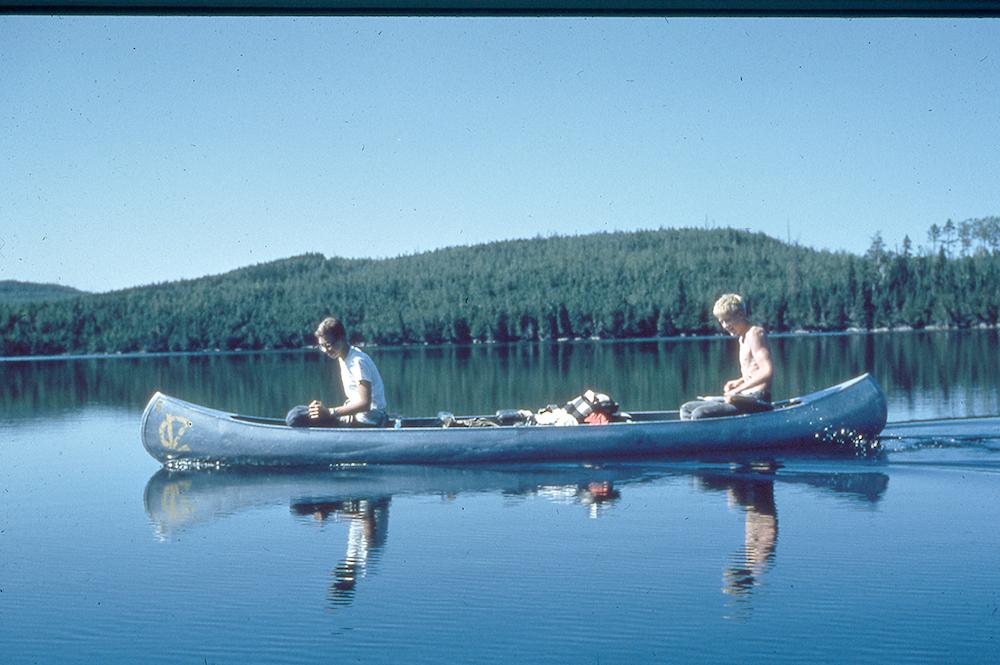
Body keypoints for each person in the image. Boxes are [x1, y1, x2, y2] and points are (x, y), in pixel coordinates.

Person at [680, 293, 774, 420]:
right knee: (687, 409)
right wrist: (739, 381)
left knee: (700, 414)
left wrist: (737, 390)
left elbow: (767, 371)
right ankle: (693, 439)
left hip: (757, 399)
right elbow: (754, 371)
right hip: (743, 397)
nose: (724, 325)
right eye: (721, 321)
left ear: (741, 315)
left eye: (728, 320)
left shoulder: (755, 333)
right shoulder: (742, 338)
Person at [286, 317, 388, 427]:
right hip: (355, 416)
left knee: (295, 418)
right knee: (297, 412)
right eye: (322, 346)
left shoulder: (358, 362)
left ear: (342, 339)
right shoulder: (342, 356)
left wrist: (330, 412)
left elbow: (365, 404)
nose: (326, 350)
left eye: (328, 345)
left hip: (368, 421)